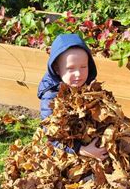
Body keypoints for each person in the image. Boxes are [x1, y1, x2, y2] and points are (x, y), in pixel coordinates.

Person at [37, 33, 108, 161]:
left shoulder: (87, 87)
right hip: (62, 147)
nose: (78, 74)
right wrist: (81, 150)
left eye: (83, 67)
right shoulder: (50, 96)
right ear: (57, 69)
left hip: (83, 136)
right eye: (70, 68)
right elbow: (52, 135)